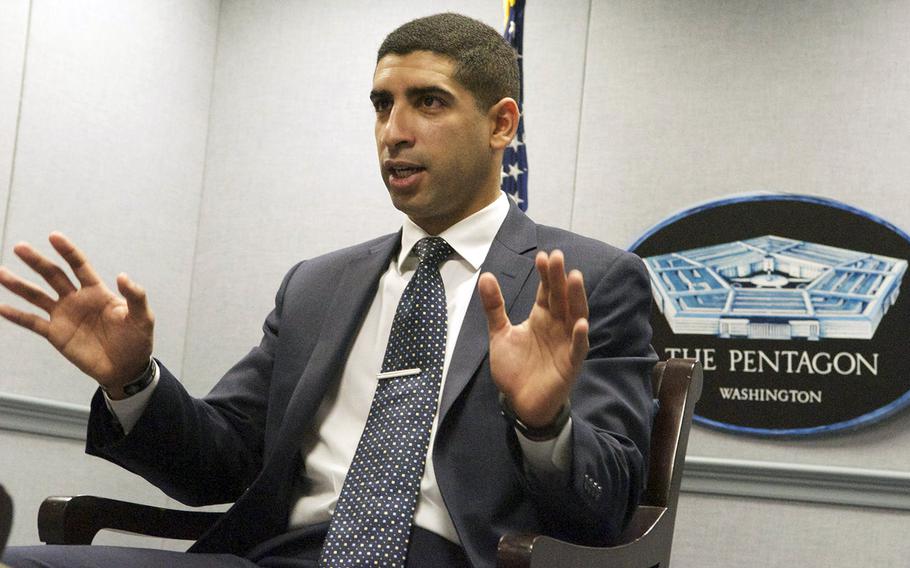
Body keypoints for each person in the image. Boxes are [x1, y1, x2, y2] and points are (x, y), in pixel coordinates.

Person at [0, 12, 656, 568]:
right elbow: (218, 464)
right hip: (279, 551)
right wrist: (133, 381)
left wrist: (546, 424)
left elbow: (611, 506)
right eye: (381, 104)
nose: (394, 131)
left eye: (428, 102)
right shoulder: (318, 285)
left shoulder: (584, 283)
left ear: (501, 124)